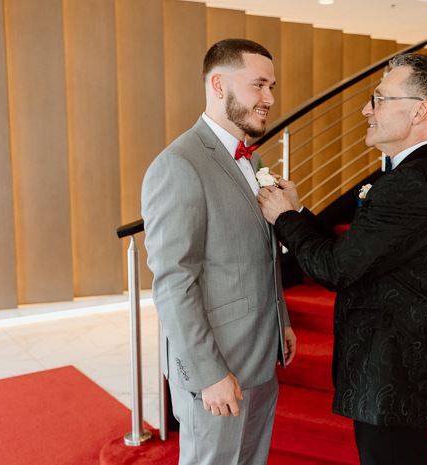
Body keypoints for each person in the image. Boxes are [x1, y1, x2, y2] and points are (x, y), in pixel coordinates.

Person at [256, 53, 427, 465]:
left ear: (419, 111)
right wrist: (298, 213)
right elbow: (361, 251)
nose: (366, 109)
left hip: (394, 380)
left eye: (380, 99)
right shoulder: (422, 174)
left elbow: (335, 268)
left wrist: (284, 219)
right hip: (401, 375)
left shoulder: (411, 184)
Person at [141, 38, 296, 465]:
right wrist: (210, 374)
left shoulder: (255, 160)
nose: (269, 99)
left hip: (260, 352)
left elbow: (263, 252)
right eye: (258, 85)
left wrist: (280, 317)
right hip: (218, 364)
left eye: (272, 87)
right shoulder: (179, 165)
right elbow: (174, 283)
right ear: (218, 84)